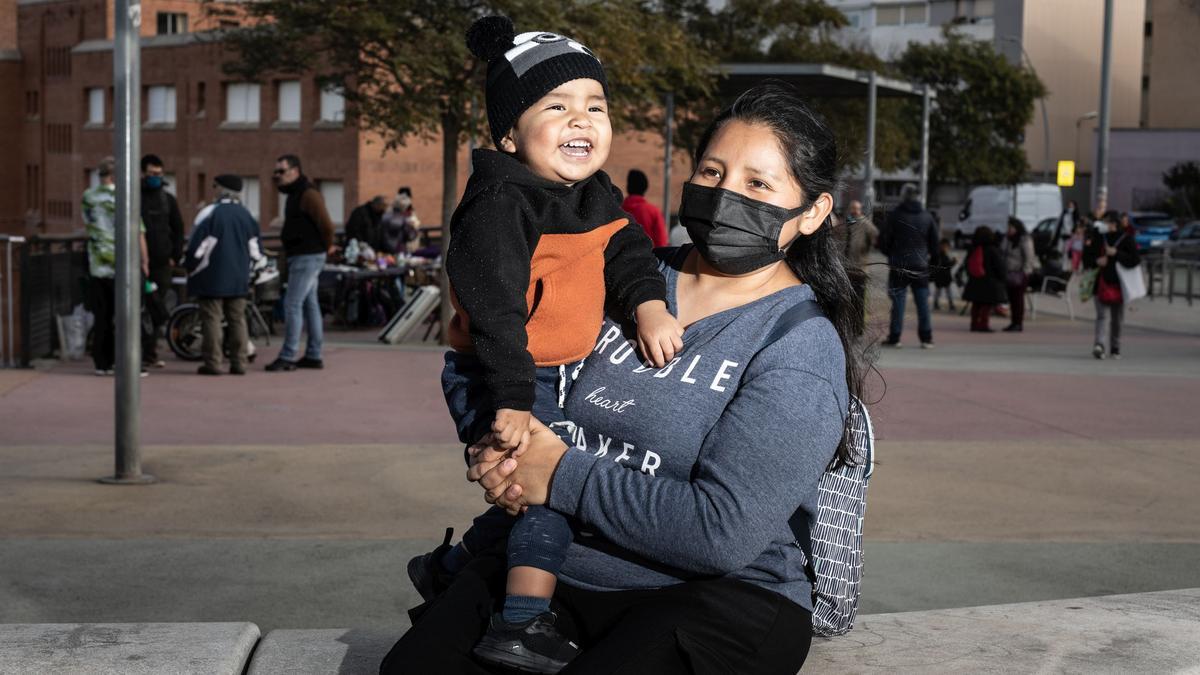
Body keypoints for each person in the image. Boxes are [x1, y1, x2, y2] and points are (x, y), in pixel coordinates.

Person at [383, 82, 867, 675]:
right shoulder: (619, 273)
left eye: (757, 184)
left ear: (813, 212)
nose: (723, 195)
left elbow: (720, 533)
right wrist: (501, 450)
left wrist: (557, 474)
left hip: (714, 597)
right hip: (547, 569)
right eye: (712, 172)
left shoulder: (798, 344)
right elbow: (512, 363)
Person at [407, 17, 683, 673]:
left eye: (595, 105)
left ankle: (448, 568)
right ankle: (523, 623)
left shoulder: (594, 193)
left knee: (522, 494)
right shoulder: (500, 201)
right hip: (500, 371)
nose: (580, 120)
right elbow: (495, 308)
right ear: (509, 133)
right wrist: (511, 398)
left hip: (560, 370)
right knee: (550, 486)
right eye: (555, 107)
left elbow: (627, 251)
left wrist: (646, 304)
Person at [184, 175, 263, 376]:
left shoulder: (209, 213)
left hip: (211, 275)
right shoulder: (247, 215)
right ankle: (239, 362)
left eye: (215, 186)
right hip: (239, 276)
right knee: (237, 319)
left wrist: (190, 267)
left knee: (212, 319)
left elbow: (197, 247)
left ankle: (213, 362)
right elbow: (256, 251)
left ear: (221, 189)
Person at [265, 154, 334, 372]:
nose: (277, 176)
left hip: (308, 256)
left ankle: (288, 355)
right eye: (276, 172)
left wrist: (326, 247)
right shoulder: (296, 193)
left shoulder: (308, 194)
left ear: (295, 171)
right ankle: (313, 354)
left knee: (292, 304)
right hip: (304, 255)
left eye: (281, 171)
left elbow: (327, 225)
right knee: (309, 303)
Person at [83, 156, 149, 377]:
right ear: (115, 177)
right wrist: (144, 261)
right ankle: (131, 364)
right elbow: (138, 232)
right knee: (128, 317)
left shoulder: (88, 197)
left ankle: (103, 363)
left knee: (102, 317)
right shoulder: (124, 197)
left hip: (97, 265)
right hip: (124, 266)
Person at [879, 183, 939, 348]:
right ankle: (926, 338)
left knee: (898, 302)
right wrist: (932, 263)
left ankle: (895, 337)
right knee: (922, 303)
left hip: (899, 264)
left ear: (903, 196)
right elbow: (935, 244)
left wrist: (890, 254)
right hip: (921, 266)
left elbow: (883, 240)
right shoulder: (927, 216)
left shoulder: (895, 215)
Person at [139, 154, 184, 369]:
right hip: (136, 264)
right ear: (142, 174)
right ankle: (136, 350)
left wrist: (174, 255)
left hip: (161, 264)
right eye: (152, 174)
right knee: (137, 307)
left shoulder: (168, 200)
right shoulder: (135, 198)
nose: (156, 178)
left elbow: (178, 229)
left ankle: (149, 352)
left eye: (159, 174)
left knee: (156, 308)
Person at [1083, 211, 1140, 360]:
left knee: (1117, 319)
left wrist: (1117, 254)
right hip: (1100, 283)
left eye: (1106, 222)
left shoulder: (1127, 239)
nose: (1103, 224)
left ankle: (1115, 347)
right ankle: (1099, 345)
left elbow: (1135, 260)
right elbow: (1086, 256)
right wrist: (1097, 261)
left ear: (1114, 223)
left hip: (1119, 284)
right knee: (1101, 316)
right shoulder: (1098, 238)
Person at [962, 226, 1007, 332]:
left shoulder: (973, 248)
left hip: (974, 280)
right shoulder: (992, 249)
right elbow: (999, 266)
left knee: (976, 304)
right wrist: (1002, 278)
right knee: (986, 305)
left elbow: (967, 264)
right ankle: (983, 324)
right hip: (989, 282)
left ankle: (974, 324)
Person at [999, 217, 1036, 332]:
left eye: (1011, 227)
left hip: (1019, 274)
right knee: (1012, 299)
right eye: (1008, 227)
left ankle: (1018, 323)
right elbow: (1002, 251)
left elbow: (1029, 257)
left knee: (1018, 300)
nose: (1009, 229)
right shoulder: (1007, 239)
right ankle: (1013, 322)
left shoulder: (1024, 239)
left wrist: (1025, 272)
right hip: (1008, 273)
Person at [621, 169, 667, 247]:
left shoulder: (618, 209)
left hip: (622, 257)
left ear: (628, 187)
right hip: (648, 256)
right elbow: (661, 242)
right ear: (645, 187)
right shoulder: (653, 211)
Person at [379, 187, 421, 254]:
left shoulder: (386, 215)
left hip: (384, 248)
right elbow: (411, 236)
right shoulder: (402, 219)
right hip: (398, 249)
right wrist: (414, 230)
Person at [931, 238, 957, 311]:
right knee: (939, 291)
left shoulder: (944, 255)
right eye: (943, 246)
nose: (945, 248)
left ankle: (950, 304)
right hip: (940, 277)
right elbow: (945, 265)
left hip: (945, 277)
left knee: (947, 291)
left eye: (946, 246)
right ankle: (937, 303)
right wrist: (953, 262)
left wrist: (952, 262)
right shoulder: (939, 255)